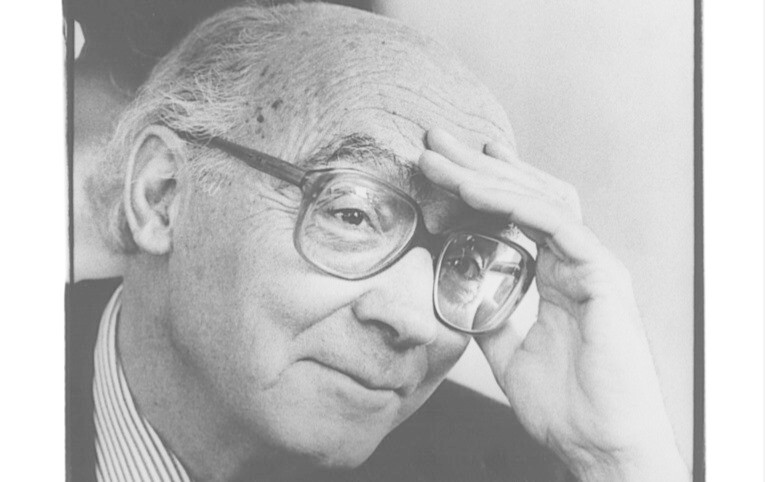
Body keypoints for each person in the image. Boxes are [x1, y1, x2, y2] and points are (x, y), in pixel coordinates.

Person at [69, 2, 691, 481]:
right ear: (163, 194)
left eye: (468, 259)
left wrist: (618, 463)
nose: (417, 322)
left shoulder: (510, 469)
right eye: (354, 213)